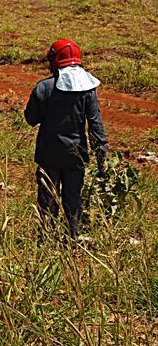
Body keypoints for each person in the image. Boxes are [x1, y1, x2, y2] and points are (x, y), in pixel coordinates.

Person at [24, 39, 107, 239]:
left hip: (49, 153)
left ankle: (47, 238)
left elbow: (30, 119)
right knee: (73, 198)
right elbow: (95, 124)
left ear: (55, 60)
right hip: (76, 154)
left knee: (48, 198)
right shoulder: (87, 89)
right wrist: (101, 152)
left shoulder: (43, 88)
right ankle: (73, 237)